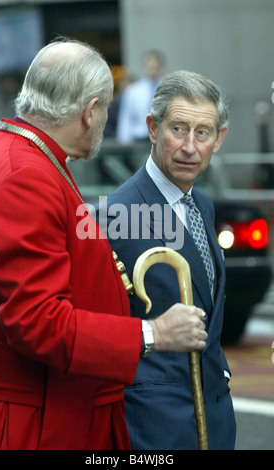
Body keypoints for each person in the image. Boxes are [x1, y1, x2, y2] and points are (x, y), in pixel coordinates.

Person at [0, 39, 207, 450]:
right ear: (90, 112)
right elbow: (37, 321)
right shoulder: (26, 174)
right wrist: (151, 333)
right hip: (42, 420)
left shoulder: (18, 155)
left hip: (54, 406)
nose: (104, 120)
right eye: (105, 109)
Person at [100, 70, 236, 450]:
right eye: (178, 129)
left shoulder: (203, 205)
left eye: (203, 133)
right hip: (152, 428)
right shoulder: (112, 218)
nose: (190, 147)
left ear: (219, 139)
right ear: (153, 128)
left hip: (215, 419)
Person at [116, 51, 164, 143]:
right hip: (138, 139)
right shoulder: (133, 91)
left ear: (160, 67)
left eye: (155, 67)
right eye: (150, 67)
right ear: (144, 67)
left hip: (161, 139)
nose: (152, 69)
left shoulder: (169, 89)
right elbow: (126, 118)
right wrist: (123, 142)